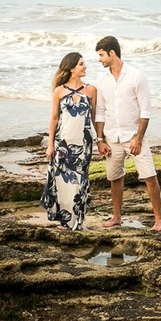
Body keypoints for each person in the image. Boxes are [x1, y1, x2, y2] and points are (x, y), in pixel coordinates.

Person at [93, 36, 161, 231]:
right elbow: (99, 111)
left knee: (149, 176)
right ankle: (116, 217)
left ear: (112, 53)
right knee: (115, 178)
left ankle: (158, 220)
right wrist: (100, 140)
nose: (99, 59)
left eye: (101, 55)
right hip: (111, 138)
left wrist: (138, 138)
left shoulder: (136, 76)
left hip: (134, 137)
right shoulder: (101, 79)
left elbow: (145, 111)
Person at [40, 52, 99, 230]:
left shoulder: (91, 90)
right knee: (62, 181)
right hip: (62, 144)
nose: (85, 66)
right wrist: (50, 145)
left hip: (83, 144)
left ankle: (78, 221)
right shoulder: (59, 91)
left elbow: (95, 119)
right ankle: (65, 221)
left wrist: (101, 140)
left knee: (80, 182)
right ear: (72, 68)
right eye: (81, 64)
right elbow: (54, 119)